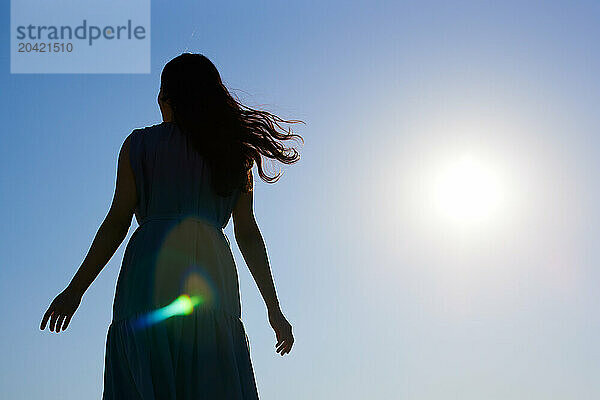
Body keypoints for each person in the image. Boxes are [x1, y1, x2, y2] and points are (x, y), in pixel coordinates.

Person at [40, 53, 304, 399]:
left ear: (166, 96)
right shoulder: (232, 153)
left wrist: (75, 291)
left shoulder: (139, 145)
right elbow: (248, 234)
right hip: (212, 276)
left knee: (146, 371)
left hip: (148, 272)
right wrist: (274, 308)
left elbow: (116, 222)